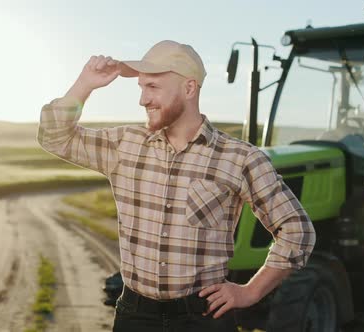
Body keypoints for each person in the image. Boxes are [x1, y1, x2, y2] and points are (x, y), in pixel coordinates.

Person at [37, 40, 316, 332]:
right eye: (141, 88)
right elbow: (54, 137)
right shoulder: (124, 145)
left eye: (153, 87)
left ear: (189, 88)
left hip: (204, 318)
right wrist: (85, 84)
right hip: (135, 316)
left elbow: (298, 232)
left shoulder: (240, 158)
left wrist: (250, 291)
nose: (143, 100)